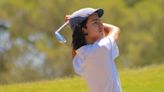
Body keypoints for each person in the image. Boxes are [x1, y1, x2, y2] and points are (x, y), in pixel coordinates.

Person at [65, 8, 122, 92]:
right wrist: (74, 23)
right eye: (95, 22)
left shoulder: (80, 57)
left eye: (100, 21)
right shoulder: (101, 48)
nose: (101, 25)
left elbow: (76, 46)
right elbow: (115, 29)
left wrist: (74, 25)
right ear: (83, 29)